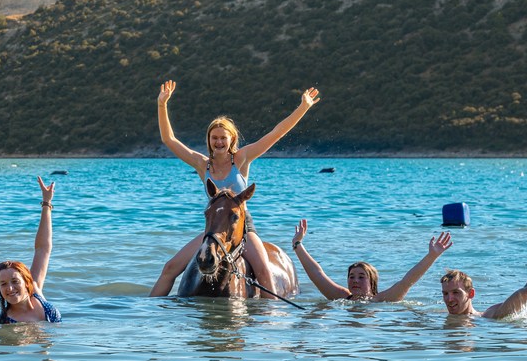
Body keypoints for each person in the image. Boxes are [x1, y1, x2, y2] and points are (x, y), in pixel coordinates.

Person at [150, 79, 320, 298]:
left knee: (264, 273)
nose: (219, 142)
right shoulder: (202, 164)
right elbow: (169, 139)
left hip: (243, 229)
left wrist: (303, 107)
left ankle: (271, 323)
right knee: (169, 269)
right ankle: (148, 314)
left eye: (223, 138)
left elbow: (276, 133)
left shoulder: (241, 158)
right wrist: (162, 104)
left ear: (231, 139)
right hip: (214, 229)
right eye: (214, 138)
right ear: (209, 140)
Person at [290, 219, 453, 301]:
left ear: (372, 282)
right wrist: (297, 244)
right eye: (351, 276)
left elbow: (407, 281)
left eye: (361, 277)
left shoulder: (381, 300)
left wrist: (432, 256)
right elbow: (317, 274)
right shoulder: (341, 297)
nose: (355, 280)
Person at [440, 230, 527, 319]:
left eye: (455, 292)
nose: (449, 299)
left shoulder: (488, 316)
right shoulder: (440, 316)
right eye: (445, 294)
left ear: (471, 294)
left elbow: (526, 293)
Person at [0, 177, 61, 324]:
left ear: (26, 282)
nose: (10, 288)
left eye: (15, 281)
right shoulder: (5, 322)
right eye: (3, 284)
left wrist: (46, 203)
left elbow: (43, 248)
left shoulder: (36, 292)